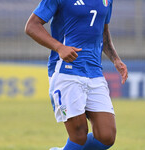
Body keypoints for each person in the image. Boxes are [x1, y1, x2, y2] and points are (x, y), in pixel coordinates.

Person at [25, 0, 128, 149]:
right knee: (79, 135)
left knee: (107, 137)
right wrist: (59, 47)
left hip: (94, 71)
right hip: (66, 70)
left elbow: (103, 31)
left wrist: (115, 59)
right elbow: (31, 26)